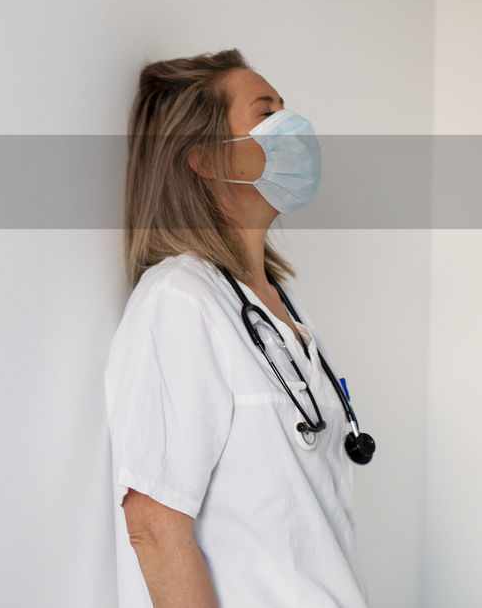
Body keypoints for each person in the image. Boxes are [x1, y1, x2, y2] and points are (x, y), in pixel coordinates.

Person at [104, 48, 370, 607]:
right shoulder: (180, 301)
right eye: (265, 113)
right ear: (204, 158)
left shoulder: (280, 305)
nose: (291, 129)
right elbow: (155, 526)